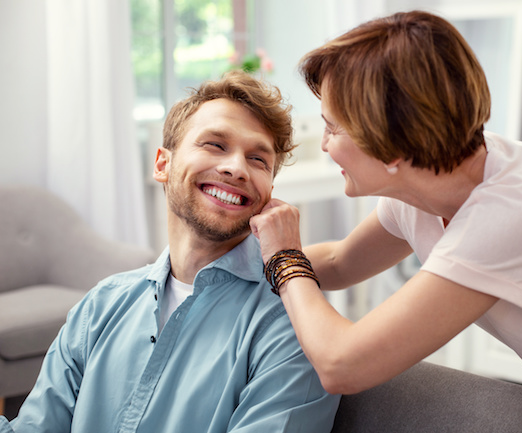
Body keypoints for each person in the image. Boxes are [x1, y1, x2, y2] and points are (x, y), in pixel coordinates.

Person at [249, 10, 522, 415]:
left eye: (333, 129)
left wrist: (284, 256)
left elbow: (342, 365)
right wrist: (236, 254)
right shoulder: (425, 182)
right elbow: (340, 262)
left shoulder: (514, 210)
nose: (324, 145)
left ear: (391, 146)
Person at [0, 70, 340, 433]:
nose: (237, 168)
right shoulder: (99, 307)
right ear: (163, 164)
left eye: (258, 160)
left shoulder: (293, 328)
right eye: (215, 144)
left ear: (270, 189)